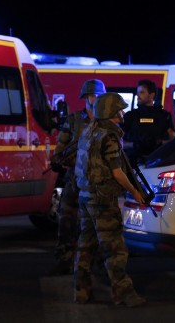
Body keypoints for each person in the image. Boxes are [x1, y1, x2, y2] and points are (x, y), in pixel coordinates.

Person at [74, 92, 146, 307]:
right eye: (119, 110)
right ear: (112, 113)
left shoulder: (89, 131)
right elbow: (117, 173)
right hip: (103, 199)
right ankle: (123, 293)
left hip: (85, 196)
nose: (122, 114)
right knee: (114, 247)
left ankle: (81, 291)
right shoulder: (109, 136)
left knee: (85, 246)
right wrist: (135, 191)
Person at [47, 79, 105, 276]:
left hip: (97, 179)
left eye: (98, 95)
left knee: (97, 223)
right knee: (66, 219)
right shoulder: (74, 120)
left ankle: (98, 262)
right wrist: (58, 159)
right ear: (85, 97)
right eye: (91, 95)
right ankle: (64, 259)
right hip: (75, 176)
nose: (94, 99)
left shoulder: (107, 122)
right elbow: (62, 146)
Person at [122, 79, 175, 165]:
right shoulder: (130, 116)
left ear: (151, 95)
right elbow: (119, 142)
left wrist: (158, 143)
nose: (138, 95)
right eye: (138, 92)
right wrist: (134, 145)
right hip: (133, 162)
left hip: (157, 162)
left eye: (142, 92)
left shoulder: (164, 116)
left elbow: (173, 140)